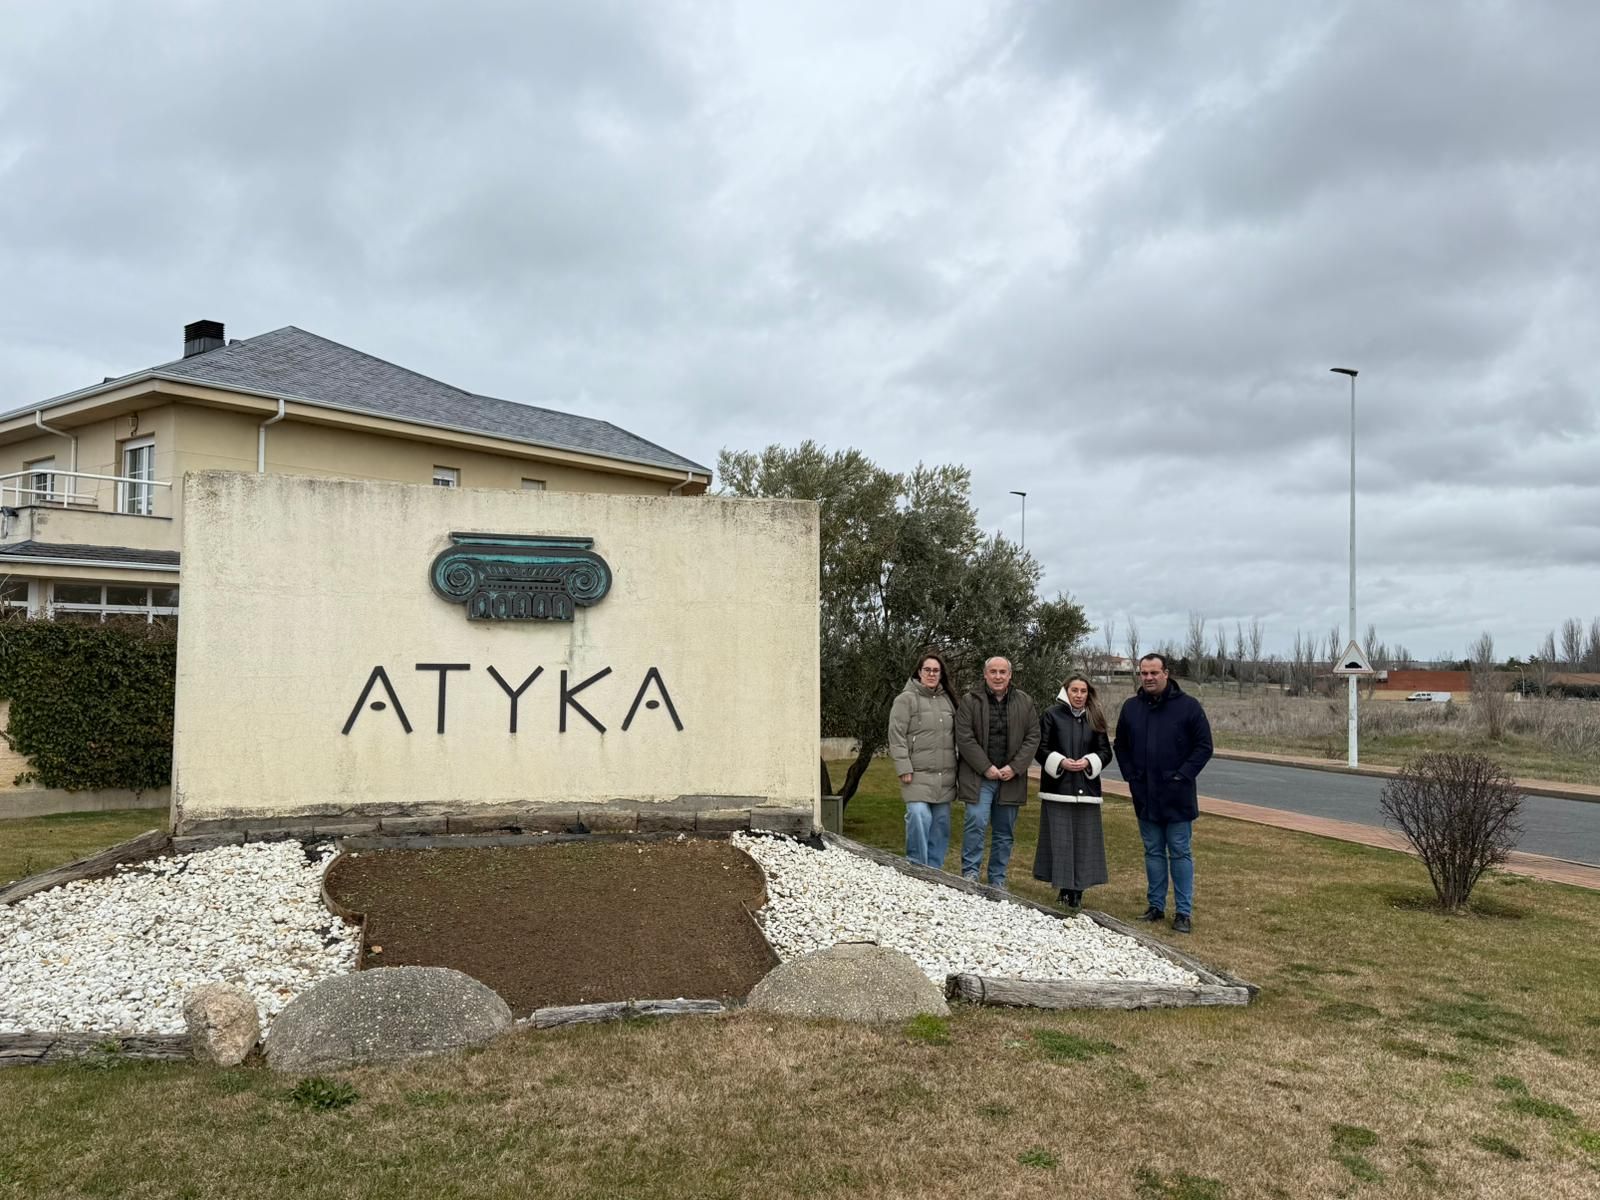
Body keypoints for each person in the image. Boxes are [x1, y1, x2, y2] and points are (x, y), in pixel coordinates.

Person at [1113, 652, 1214, 934]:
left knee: (1180, 852)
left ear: (1166, 673)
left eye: (1154, 673)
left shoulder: (1189, 707)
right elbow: (1120, 745)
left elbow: (1204, 747)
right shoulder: (1131, 708)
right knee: (1153, 851)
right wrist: (1131, 776)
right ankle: (1155, 906)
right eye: (1144, 673)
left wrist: (1182, 775)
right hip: (1145, 795)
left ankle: (1183, 912)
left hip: (1178, 795)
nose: (1148, 678)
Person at [954, 656, 1040, 888]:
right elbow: (964, 737)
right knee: (976, 823)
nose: (998, 676)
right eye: (993, 672)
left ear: (1010, 675)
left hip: (1011, 779)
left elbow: (1033, 737)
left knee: (1004, 833)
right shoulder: (970, 701)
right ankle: (970, 874)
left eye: (1003, 672)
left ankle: (997, 881)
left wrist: (1015, 767)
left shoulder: (1025, 702)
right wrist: (986, 767)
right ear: (985, 674)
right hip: (978, 777)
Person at [1034, 673, 1112, 908]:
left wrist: (1089, 762)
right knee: (1061, 841)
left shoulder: (1095, 718)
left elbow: (1105, 752)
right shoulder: (1051, 715)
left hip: (1087, 789)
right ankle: (1065, 888)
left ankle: (1078, 890)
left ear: (1089, 693)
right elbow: (1041, 748)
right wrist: (1061, 762)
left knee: (1084, 841)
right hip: (1058, 788)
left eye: (1083, 691)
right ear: (1065, 691)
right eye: (1074, 690)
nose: (1079, 695)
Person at [887, 650, 959, 869]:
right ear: (919, 672)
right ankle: (917, 866)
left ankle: (935, 871)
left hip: (945, 777)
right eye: (927, 669)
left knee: (940, 825)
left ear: (941, 674)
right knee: (918, 816)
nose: (931, 674)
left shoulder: (949, 700)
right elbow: (896, 736)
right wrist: (903, 767)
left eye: (936, 670)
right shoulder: (905, 700)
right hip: (916, 775)